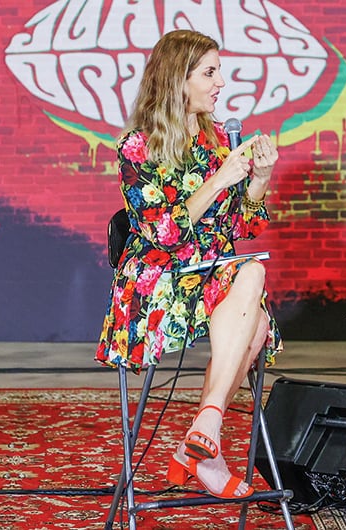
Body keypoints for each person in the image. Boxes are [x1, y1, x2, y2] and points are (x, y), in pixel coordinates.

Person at [94, 29, 281, 500]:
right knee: (253, 321)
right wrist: (219, 179)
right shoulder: (138, 146)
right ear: (179, 80)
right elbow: (164, 233)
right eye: (210, 73)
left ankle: (204, 430)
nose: (221, 83)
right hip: (156, 279)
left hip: (209, 273)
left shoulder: (217, 138)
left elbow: (240, 226)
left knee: (253, 276)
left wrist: (259, 178)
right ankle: (206, 446)